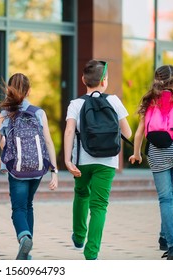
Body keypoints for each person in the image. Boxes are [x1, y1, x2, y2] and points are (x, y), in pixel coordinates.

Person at [64, 59, 132, 260]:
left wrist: (68, 161)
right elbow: (127, 132)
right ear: (104, 82)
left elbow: (69, 131)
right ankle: (91, 253)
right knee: (99, 206)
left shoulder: (76, 104)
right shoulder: (114, 101)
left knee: (81, 194)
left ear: (84, 79)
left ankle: (78, 236)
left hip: (82, 160)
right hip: (108, 161)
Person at [0, 73, 58, 260]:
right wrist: (54, 172)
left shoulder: (4, 115)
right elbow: (49, 143)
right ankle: (27, 251)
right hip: (38, 169)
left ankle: (24, 238)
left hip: (17, 169)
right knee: (29, 206)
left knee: (18, 209)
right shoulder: (39, 112)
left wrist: (2, 165)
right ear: (29, 91)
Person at [129, 65, 173, 260]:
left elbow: (139, 132)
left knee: (165, 199)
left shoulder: (150, 100)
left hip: (158, 153)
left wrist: (136, 154)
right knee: (170, 195)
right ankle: (163, 237)